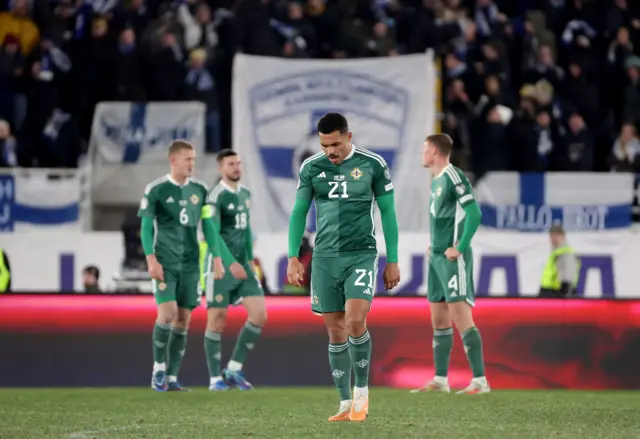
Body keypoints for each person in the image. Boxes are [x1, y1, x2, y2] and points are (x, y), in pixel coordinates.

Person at [287, 112, 400, 422]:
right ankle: (344, 402)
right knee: (334, 328)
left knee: (354, 319)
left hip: (361, 254)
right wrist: (293, 257)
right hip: (324, 258)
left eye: (335, 144)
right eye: (325, 146)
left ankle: (362, 392)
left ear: (349, 137)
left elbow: (388, 213)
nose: (330, 152)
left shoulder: (372, 164)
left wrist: (393, 260)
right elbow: (299, 211)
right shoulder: (312, 167)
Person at [138, 140, 236, 392]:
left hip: (191, 264)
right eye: (187, 159)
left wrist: (216, 256)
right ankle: (158, 369)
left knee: (183, 319)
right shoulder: (156, 189)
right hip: (165, 261)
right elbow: (147, 226)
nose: (192, 163)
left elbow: (209, 226)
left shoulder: (200, 190)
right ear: (173, 160)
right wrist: (150, 258)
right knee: (167, 313)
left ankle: (171, 378)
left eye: (193, 159)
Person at [411, 133, 488, 395]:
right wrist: (435, 245)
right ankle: (441, 380)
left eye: (424, 148)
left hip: (452, 258)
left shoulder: (454, 176)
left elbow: (474, 213)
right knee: (439, 318)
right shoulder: (436, 180)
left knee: (460, 316)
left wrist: (460, 247)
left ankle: (480, 380)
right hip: (436, 257)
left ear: (434, 150)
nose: (422, 153)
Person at [203, 149, 267, 391]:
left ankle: (234, 369)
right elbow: (213, 233)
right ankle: (214, 379)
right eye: (231, 164)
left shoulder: (245, 195)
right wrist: (230, 263)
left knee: (259, 314)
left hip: (243, 267)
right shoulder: (215, 196)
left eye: (238, 163)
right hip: (221, 267)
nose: (237, 167)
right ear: (221, 168)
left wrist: (249, 260)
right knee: (217, 321)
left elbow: (246, 229)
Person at [538, 224, 580, 298]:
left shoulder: (566, 254)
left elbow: (567, 282)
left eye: (557, 235)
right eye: (552, 235)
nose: (554, 238)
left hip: (556, 296)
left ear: (563, 237)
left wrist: (561, 300)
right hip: (549, 296)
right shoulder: (556, 254)